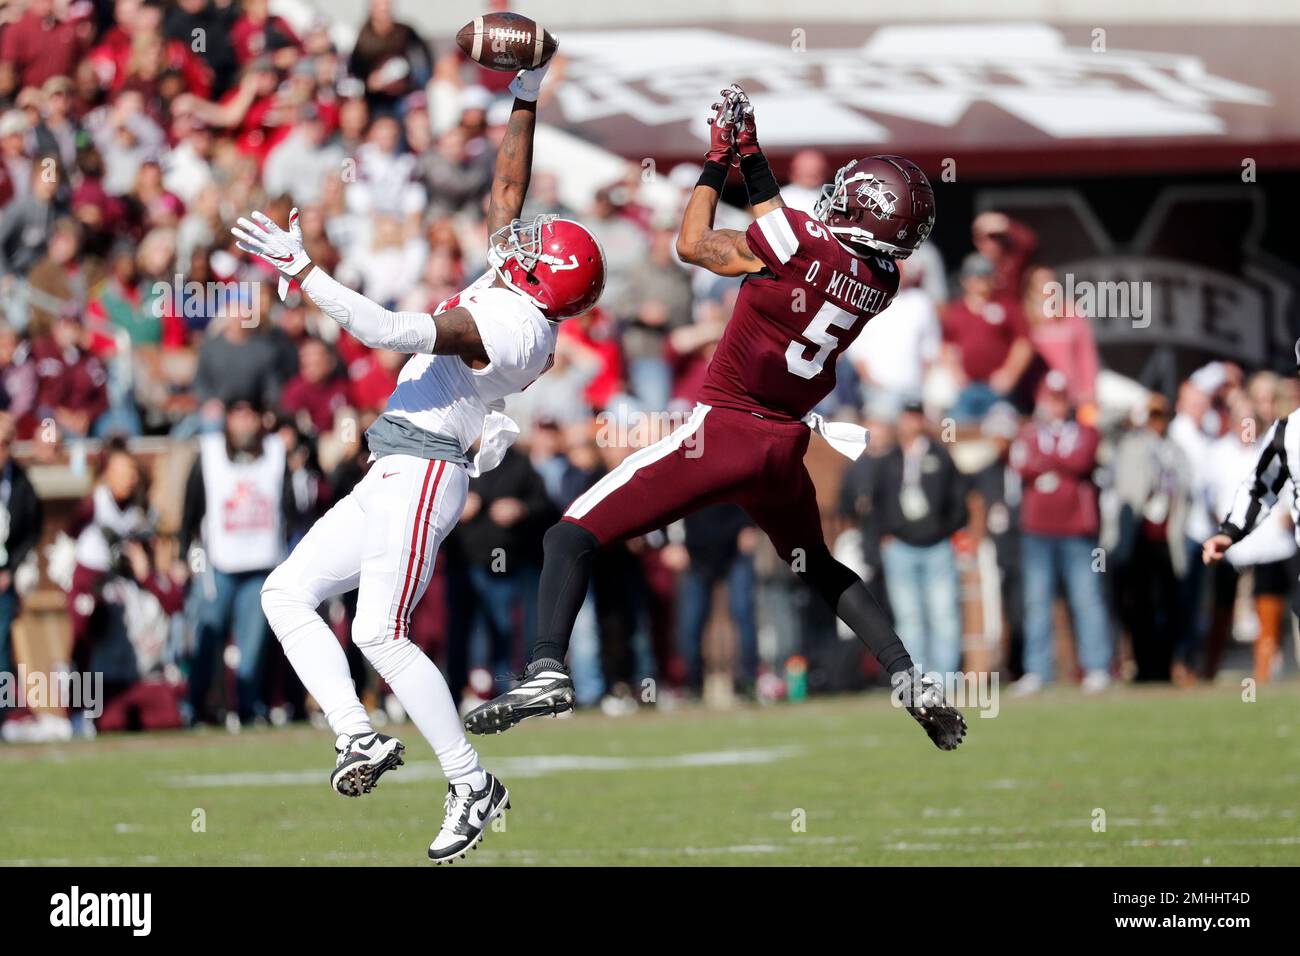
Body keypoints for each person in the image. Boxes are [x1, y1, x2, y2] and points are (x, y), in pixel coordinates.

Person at [466, 84, 965, 751]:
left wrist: (717, 160)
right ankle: (909, 677)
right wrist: (750, 159)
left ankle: (548, 667)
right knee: (815, 564)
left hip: (723, 432)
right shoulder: (881, 283)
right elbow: (789, 236)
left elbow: (693, 243)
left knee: (569, 537)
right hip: (782, 445)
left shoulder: (802, 243)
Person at [235, 58, 607, 862]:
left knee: (381, 630)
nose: (522, 238)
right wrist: (524, 95)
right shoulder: (521, 292)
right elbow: (506, 193)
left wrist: (303, 273)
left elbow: (389, 332)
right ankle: (357, 738)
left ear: (545, 283)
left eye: (537, 248)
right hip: (396, 465)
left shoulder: (512, 327)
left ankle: (472, 781)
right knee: (287, 591)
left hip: (428, 471)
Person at [1010, 370, 1111, 694]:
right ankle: (1037, 670)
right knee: (1037, 601)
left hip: (1077, 529)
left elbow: (1082, 461)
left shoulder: (1085, 432)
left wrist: (1046, 462)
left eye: (1060, 400)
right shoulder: (1029, 432)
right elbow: (1021, 465)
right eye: (1050, 400)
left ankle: (1096, 666)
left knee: (1087, 598)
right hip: (1037, 528)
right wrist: (1056, 462)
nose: (1055, 407)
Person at [870, 401, 968, 676]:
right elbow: (876, 503)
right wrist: (885, 536)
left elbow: (958, 499)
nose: (911, 424)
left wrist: (947, 530)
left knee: (943, 614)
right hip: (900, 547)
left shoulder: (940, 456)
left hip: (937, 546)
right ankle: (917, 680)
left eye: (916, 417)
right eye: (907, 417)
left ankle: (946, 679)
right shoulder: (889, 460)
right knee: (909, 617)